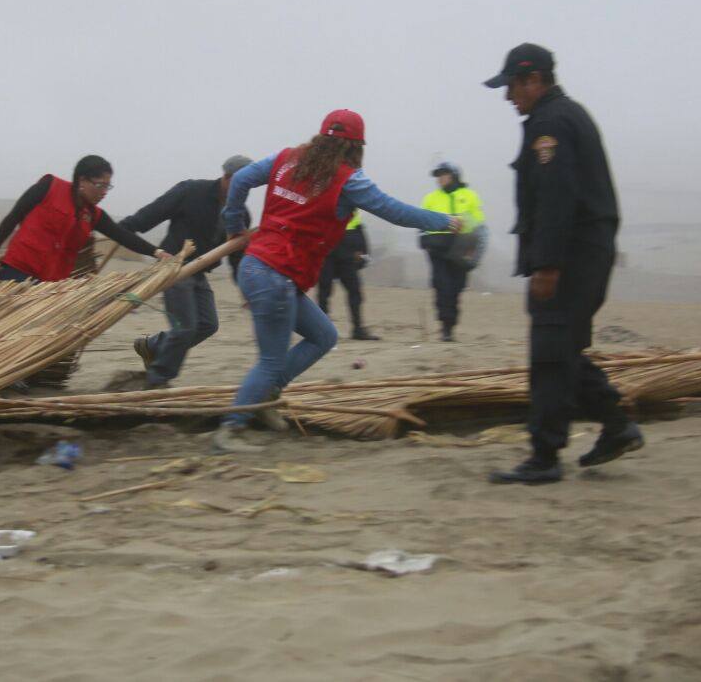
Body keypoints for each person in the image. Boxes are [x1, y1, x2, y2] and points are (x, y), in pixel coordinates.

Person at [212, 109, 460, 453]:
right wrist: (445, 221)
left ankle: (266, 396)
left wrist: (233, 223)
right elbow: (395, 211)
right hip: (275, 276)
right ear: (357, 146)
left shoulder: (285, 158)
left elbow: (239, 181)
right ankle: (231, 428)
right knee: (270, 360)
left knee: (323, 335)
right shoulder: (349, 180)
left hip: (258, 268)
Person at [482, 43, 643, 484]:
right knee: (563, 347)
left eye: (512, 86)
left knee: (551, 353)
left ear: (534, 80)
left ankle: (545, 457)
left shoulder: (551, 123)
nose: (508, 96)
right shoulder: (560, 116)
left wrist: (548, 264)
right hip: (583, 250)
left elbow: (557, 197)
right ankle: (616, 427)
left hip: (572, 255)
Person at [120, 155, 254, 388]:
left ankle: (152, 346)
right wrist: (121, 230)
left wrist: (246, 291)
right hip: (172, 267)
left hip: (199, 271)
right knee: (186, 327)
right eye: (242, 183)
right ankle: (158, 378)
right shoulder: (191, 191)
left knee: (207, 325)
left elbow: (237, 259)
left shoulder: (241, 214)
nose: (245, 190)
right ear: (227, 177)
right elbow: (148, 216)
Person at [0, 155, 169, 282]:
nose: (104, 192)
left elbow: (122, 235)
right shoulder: (49, 187)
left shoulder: (94, 215)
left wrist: (157, 253)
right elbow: (16, 214)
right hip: (18, 270)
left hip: (51, 283)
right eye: (99, 185)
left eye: (107, 187)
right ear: (82, 181)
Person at [419, 162, 485, 342]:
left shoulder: (469, 196)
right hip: (437, 248)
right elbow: (422, 220)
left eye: (444, 174)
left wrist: (469, 235)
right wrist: (423, 238)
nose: (440, 178)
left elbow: (478, 223)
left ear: (454, 175)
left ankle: (451, 323)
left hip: (460, 247)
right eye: (438, 175)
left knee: (456, 287)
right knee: (441, 286)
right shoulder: (431, 198)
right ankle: (445, 327)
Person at [316, 210, 379, 341]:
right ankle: (322, 331)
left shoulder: (352, 204)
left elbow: (358, 228)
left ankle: (358, 329)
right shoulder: (323, 199)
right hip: (327, 253)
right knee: (324, 290)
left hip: (347, 255)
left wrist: (364, 253)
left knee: (355, 291)